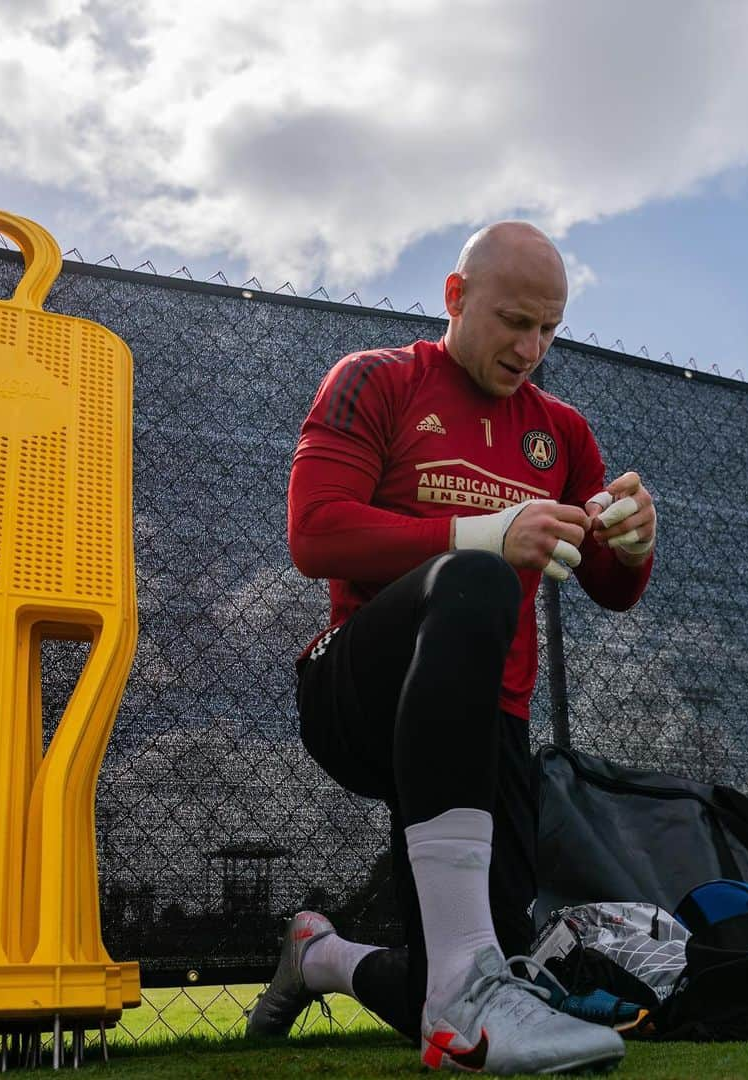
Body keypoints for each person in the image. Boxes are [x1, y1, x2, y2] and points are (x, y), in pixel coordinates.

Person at [248, 221, 657, 1074]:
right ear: (455, 297)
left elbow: (611, 589)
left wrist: (636, 542)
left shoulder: (563, 431)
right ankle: (461, 982)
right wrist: (485, 532)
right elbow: (314, 533)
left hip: (483, 729)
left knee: (479, 974)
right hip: (357, 688)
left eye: (549, 329)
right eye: (514, 321)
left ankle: (321, 956)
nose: (531, 347)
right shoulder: (376, 378)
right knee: (476, 576)